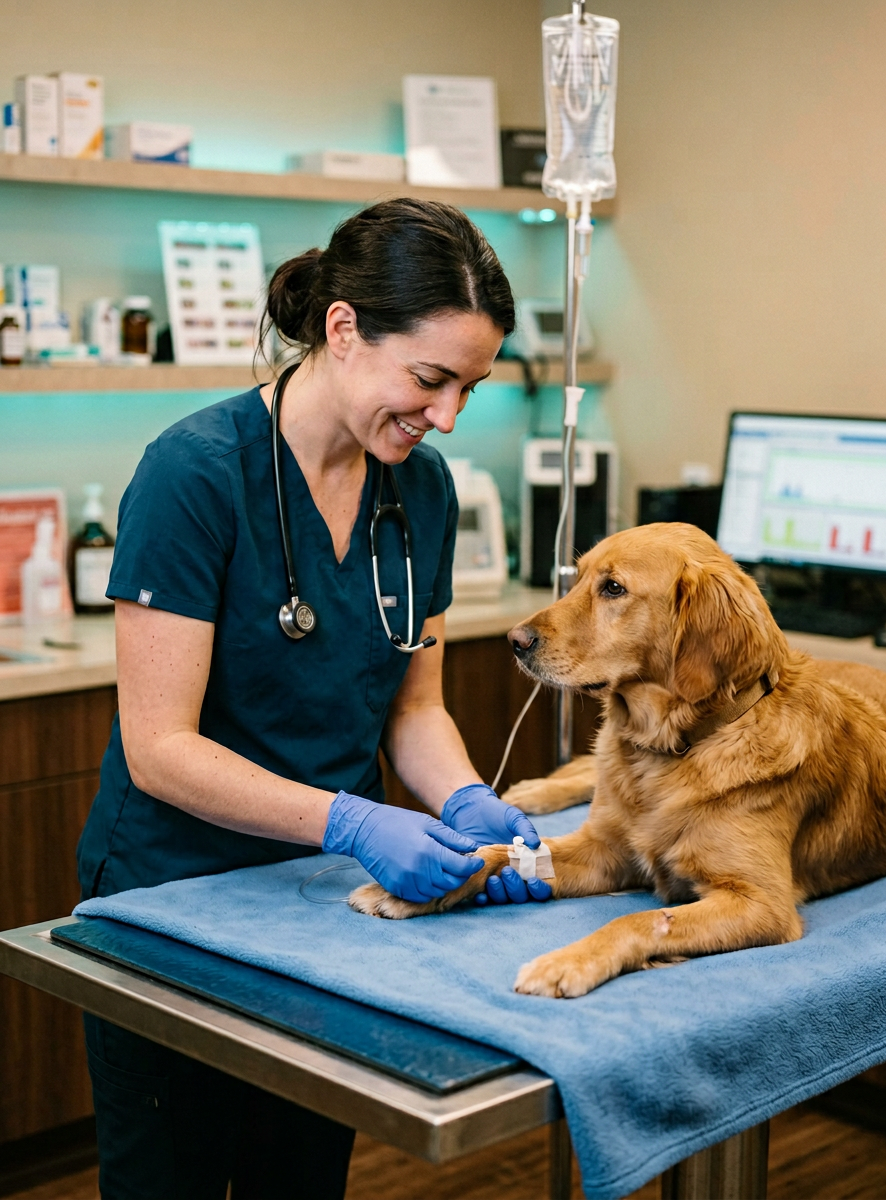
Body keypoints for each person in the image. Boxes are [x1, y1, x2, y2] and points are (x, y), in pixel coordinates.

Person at [77, 198, 548, 1200]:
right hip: (175, 900)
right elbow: (158, 747)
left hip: (324, 912)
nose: (448, 415)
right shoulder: (196, 474)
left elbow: (411, 709)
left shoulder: (419, 493)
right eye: (429, 378)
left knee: (299, 1177)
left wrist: (464, 799)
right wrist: (354, 819)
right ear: (342, 329)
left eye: (468, 385)